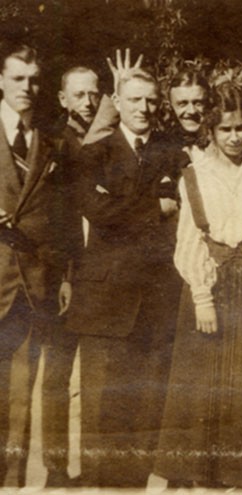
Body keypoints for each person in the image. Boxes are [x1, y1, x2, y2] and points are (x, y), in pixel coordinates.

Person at [65, 68, 187, 487]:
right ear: (115, 102)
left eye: (151, 100)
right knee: (101, 407)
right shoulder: (92, 154)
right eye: (134, 100)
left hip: (157, 297)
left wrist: (124, 202)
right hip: (105, 300)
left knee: (146, 404)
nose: (144, 109)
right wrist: (156, 207)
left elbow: (173, 206)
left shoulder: (172, 153)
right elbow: (98, 213)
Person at [155, 82, 242, 489]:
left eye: (241, 127)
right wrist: (202, 298)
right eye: (225, 129)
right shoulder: (195, 176)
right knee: (203, 385)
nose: (234, 136)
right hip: (211, 289)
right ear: (211, 130)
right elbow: (188, 241)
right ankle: (201, 477)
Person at [0, 41, 72, 487]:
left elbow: (62, 216)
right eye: (18, 78)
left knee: (22, 389)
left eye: (34, 79)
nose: (28, 87)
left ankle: (10, 480)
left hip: (33, 283)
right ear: (0, 80)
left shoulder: (51, 140)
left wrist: (63, 275)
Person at [41, 65, 101, 488]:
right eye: (78, 95)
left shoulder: (112, 142)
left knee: (101, 377)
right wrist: (63, 273)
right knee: (57, 376)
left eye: (93, 94)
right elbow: (52, 219)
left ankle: (101, 467)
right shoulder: (52, 146)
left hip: (105, 276)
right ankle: (56, 470)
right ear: (63, 99)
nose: (87, 102)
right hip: (64, 277)